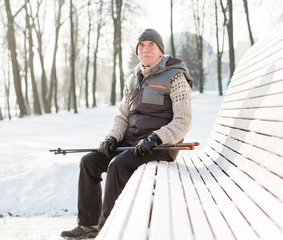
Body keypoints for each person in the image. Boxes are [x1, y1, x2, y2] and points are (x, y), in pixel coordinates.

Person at [60, 28, 193, 239]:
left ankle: (109, 228)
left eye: (151, 45)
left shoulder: (175, 76)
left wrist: (156, 137)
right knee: (89, 161)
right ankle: (88, 225)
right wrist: (112, 137)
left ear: (160, 51)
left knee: (117, 165)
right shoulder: (133, 78)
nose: (146, 49)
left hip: (160, 145)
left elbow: (183, 120)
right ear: (137, 51)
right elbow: (122, 115)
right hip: (131, 143)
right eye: (141, 46)